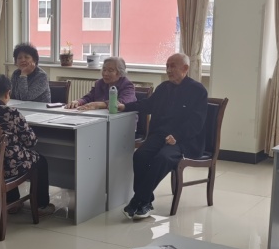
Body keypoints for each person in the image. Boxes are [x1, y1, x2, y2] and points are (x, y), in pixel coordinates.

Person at [116, 53, 208, 220]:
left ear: (185, 68)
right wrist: (124, 107)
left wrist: (177, 136)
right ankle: (145, 201)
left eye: (173, 66)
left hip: (185, 140)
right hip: (161, 135)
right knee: (140, 156)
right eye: (167, 66)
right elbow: (147, 105)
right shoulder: (164, 88)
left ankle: (138, 201)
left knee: (163, 158)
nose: (168, 70)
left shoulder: (198, 90)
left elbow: (197, 122)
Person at [0, 73, 55, 216]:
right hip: (7, 165)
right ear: (8, 93)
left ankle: (12, 199)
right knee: (39, 160)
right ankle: (41, 205)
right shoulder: (11, 113)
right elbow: (31, 141)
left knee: (9, 154)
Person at [67, 56, 137, 110]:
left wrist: (97, 105)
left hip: (122, 120)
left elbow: (122, 102)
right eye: (104, 69)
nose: (105, 73)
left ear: (120, 73)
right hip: (101, 118)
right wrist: (78, 102)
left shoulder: (127, 85)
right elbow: (88, 98)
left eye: (110, 71)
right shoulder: (99, 83)